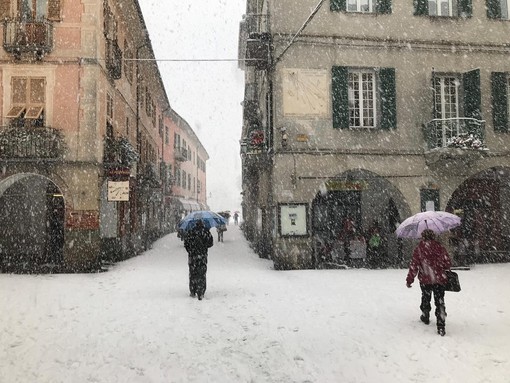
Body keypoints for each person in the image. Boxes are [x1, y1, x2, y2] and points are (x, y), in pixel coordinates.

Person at [406, 229, 452, 336]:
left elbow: (414, 266)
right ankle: (441, 323)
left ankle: (425, 315)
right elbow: (448, 263)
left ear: (423, 237)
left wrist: (410, 280)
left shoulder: (419, 249)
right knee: (439, 299)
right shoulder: (440, 248)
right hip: (439, 279)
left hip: (425, 279)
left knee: (426, 297)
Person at [183, 219, 214, 300]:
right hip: (202, 257)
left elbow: (186, 244)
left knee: (193, 273)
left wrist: (191, 251)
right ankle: (201, 291)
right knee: (202, 274)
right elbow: (211, 243)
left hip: (192, 257)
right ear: (203, 224)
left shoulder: (190, 232)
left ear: (195, 224)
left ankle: (193, 290)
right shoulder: (206, 232)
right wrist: (204, 247)